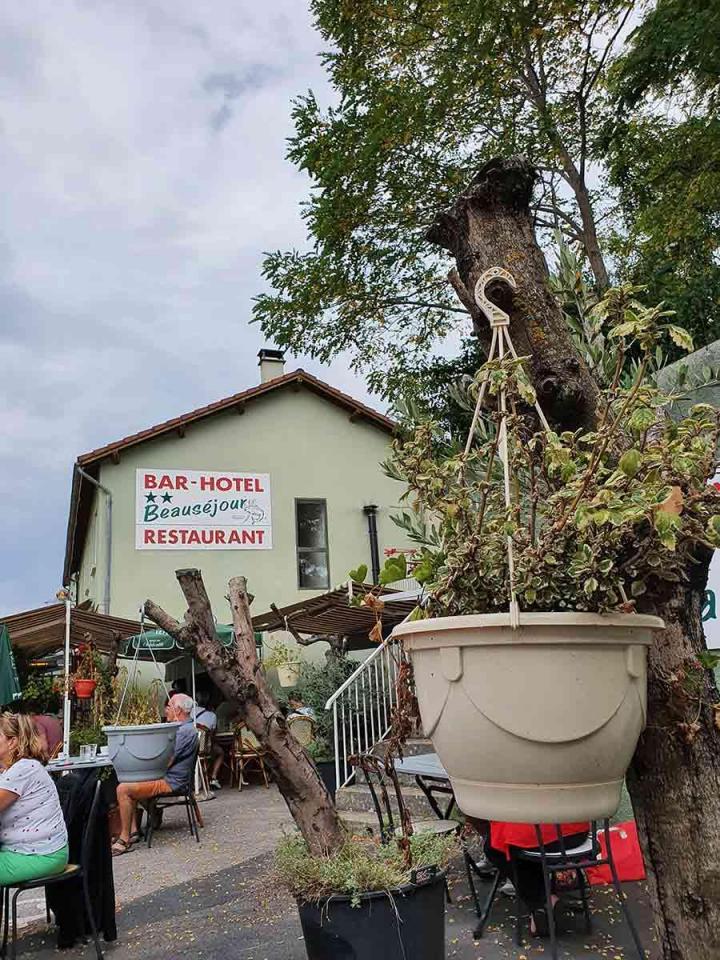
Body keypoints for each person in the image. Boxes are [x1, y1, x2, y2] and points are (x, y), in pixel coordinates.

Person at [111, 693, 198, 856]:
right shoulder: (182, 728)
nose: (166, 710)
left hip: (170, 781)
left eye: (169, 706)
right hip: (167, 777)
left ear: (178, 710)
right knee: (130, 780)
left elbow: (166, 762)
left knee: (123, 789)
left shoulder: (183, 732)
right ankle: (134, 830)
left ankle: (124, 839)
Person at [481, 818, 590, 936]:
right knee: (518, 837)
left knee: (495, 846)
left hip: (542, 835)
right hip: (578, 832)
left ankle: (542, 902)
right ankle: (544, 902)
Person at [0, 712, 69, 884]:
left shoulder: (23, 769)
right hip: (32, 850)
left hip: (41, 855)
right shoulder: (16, 769)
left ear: (12, 742)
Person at [193, 693, 225, 790]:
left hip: (191, 747)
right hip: (204, 749)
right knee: (220, 753)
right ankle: (214, 778)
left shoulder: (191, 713)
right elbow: (213, 734)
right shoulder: (212, 716)